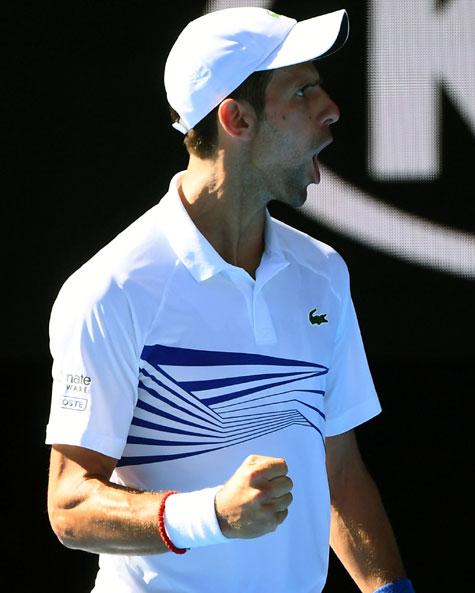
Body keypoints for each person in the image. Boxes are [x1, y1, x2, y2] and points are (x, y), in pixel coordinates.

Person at [45, 6, 415, 593]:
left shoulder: (321, 275)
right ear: (236, 119)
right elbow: (70, 505)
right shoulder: (111, 290)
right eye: (303, 89)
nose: (331, 108)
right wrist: (211, 515)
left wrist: (391, 590)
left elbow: (337, 470)